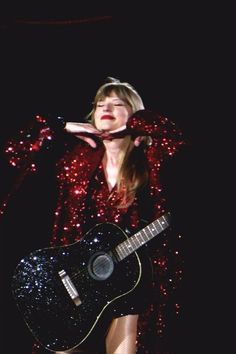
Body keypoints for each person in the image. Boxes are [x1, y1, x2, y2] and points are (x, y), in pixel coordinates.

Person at [3, 77, 185, 354]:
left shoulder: (150, 160)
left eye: (117, 103)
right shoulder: (76, 157)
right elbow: (15, 151)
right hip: (75, 277)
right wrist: (63, 125)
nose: (105, 107)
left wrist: (138, 124)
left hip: (129, 281)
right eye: (100, 104)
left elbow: (177, 139)